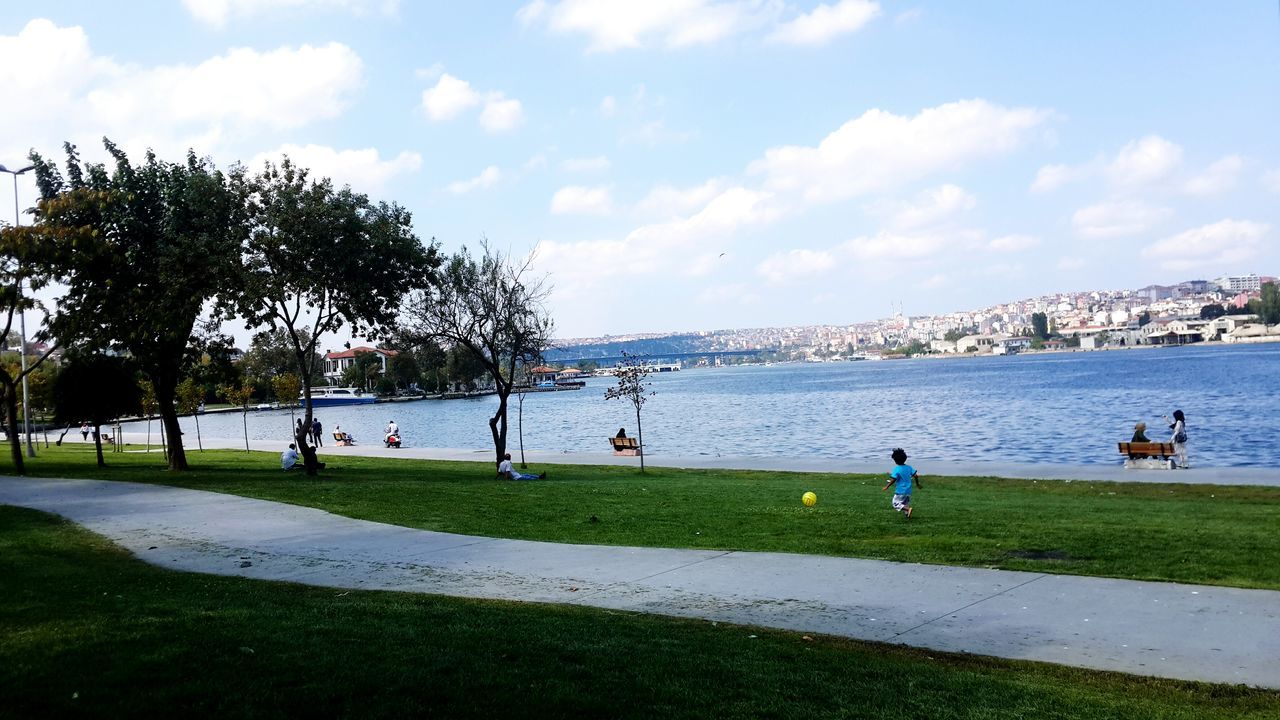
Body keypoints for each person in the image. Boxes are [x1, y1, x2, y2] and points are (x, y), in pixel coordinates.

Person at [882, 447, 922, 519]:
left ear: (895, 460)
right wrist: (917, 484)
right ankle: (907, 515)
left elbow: (893, 479)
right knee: (904, 503)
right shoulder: (909, 467)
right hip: (908, 490)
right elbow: (916, 476)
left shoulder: (897, 469)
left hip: (900, 490)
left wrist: (887, 486)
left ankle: (908, 510)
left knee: (895, 503)